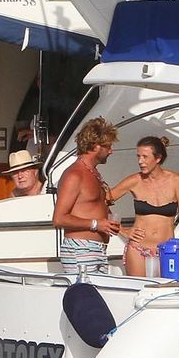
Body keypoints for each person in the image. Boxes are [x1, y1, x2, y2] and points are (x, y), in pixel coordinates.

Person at [108, 136, 179, 277]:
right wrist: (121, 229)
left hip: (167, 250)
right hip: (138, 248)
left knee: (170, 291)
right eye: (138, 157)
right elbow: (102, 200)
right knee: (139, 291)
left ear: (158, 158)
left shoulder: (175, 180)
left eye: (145, 157)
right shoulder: (134, 180)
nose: (140, 161)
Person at [52, 117, 120, 274]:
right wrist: (96, 224)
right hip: (80, 249)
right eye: (108, 146)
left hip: (97, 250)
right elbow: (59, 218)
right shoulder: (74, 175)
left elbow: (97, 209)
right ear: (96, 146)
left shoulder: (93, 173)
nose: (111, 151)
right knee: (85, 295)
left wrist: (124, 231)